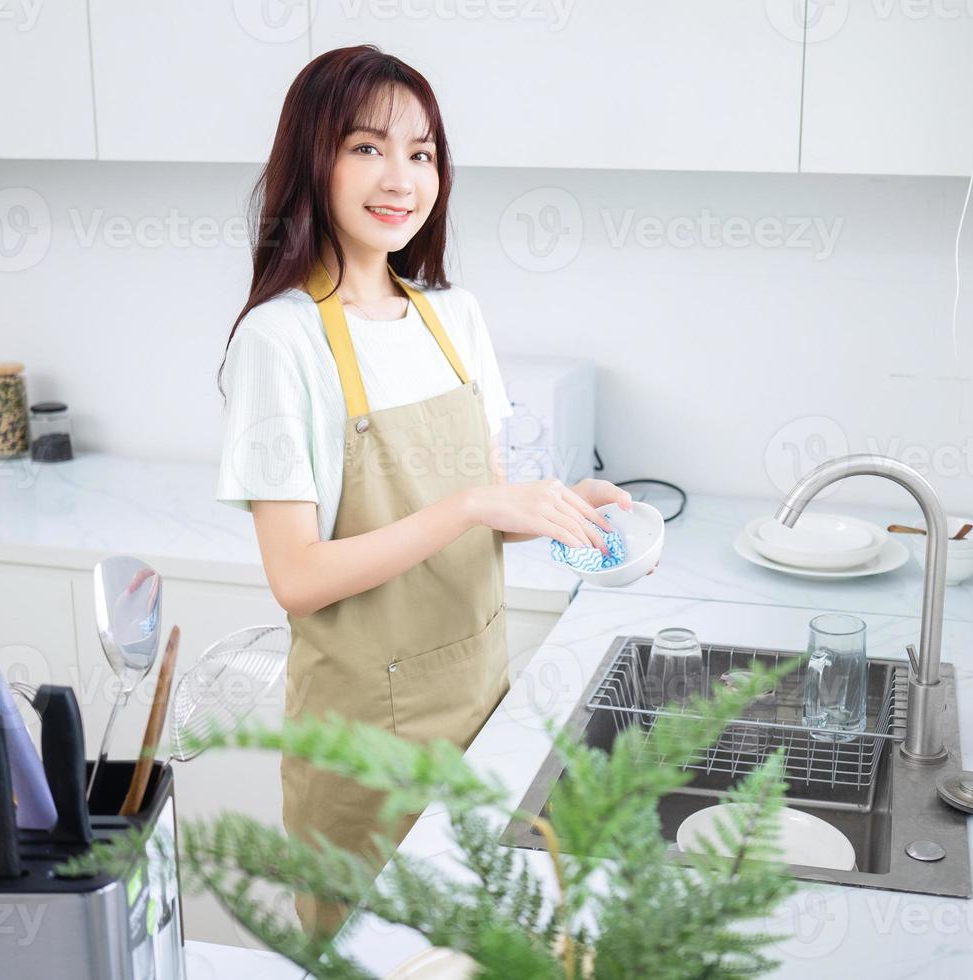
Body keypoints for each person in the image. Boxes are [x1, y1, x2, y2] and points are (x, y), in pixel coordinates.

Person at [215, 45, 636, 939]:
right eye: (367, 147)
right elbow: (296, 576)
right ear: (312, 158)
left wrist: (557, 505)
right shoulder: (279, 343)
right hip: (366, 749)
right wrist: (480, 506)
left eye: (422, 151)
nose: (401, 177)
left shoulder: (454, 316)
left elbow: (478, 502)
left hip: (488, 714)